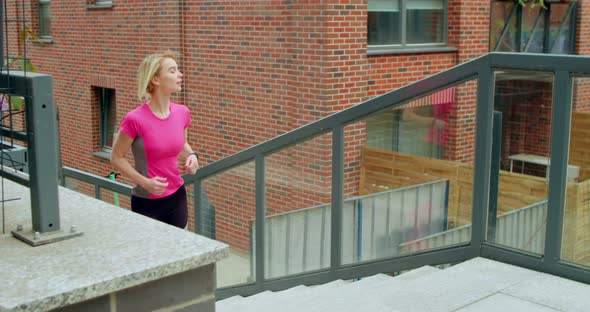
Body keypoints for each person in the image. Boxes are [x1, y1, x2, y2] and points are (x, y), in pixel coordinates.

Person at [111, 51, 199, 229]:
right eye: (173, 71)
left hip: (177, 197)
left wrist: (192, 156)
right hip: (147, 202)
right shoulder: (134, 119)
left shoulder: (183, 112)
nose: (180, 75)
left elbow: (181, 144)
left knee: (180, 249)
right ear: (156, 79)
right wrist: (144, 182)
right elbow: (116, 157)